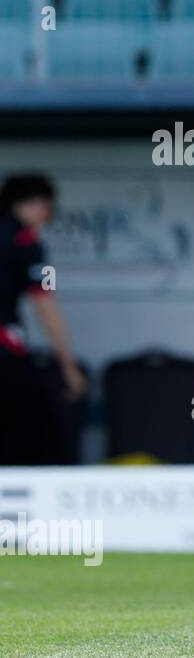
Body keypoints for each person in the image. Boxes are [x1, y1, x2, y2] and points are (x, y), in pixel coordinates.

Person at [0, 174, 86, 465]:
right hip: (5, 349)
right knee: (35, 427)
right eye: (39, 204)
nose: (45, 212)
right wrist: (69, 366)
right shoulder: (25, 241)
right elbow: (45, 305)